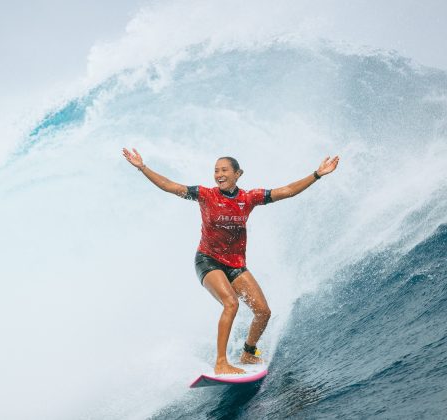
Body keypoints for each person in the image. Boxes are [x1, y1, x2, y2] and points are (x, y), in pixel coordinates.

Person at [122, 147, 340, 374]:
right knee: (231, 303)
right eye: (216, 170)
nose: (219, 174)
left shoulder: (249, 198)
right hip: (208, 261)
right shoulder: (206, 195)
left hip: (235, 264)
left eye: (225, 170)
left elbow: (286, 191)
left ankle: (248, 352)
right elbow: (170, 186)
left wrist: (317, 174)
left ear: (238, 173)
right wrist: (143, 168)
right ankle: (221, 363)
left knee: (263, 312)